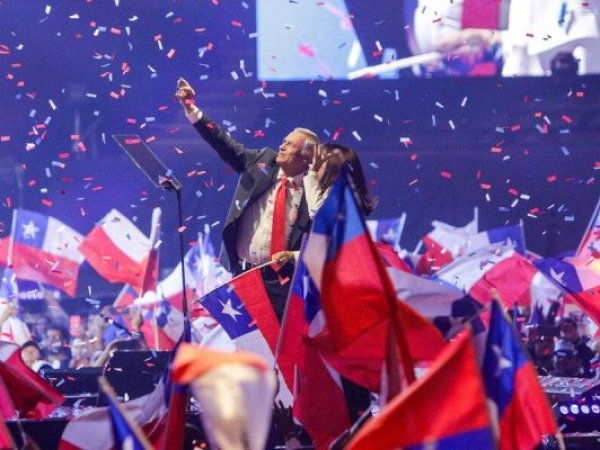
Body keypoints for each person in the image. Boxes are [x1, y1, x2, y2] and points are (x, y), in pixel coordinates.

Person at [176, 77, 320, 320]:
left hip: (285, 283)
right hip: (243, 276)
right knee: (245, 340)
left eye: (290, 145)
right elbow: (224, 143)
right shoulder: (262, 162)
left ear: (306, 158)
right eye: (283, 141)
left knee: (279, 341)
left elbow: (319, 244)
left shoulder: (313, 191)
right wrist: (192, 109)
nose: (282, 146)